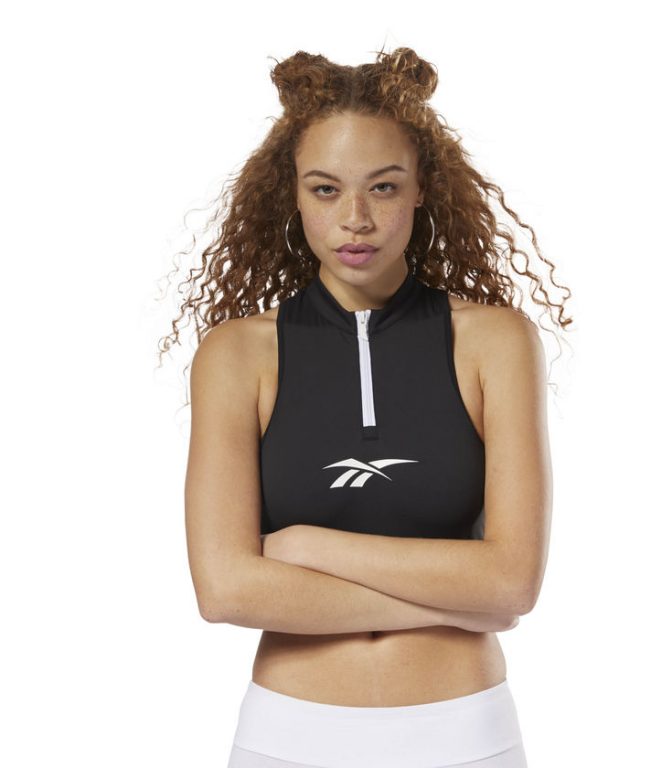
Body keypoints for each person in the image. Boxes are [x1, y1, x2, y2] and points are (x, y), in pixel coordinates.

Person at [164, 46, 572, 768]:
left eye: (383, 187)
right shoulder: (236, 355)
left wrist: (306, 547)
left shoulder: (495, 342)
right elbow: (225, 589)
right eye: (325, 190)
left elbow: (512, 580)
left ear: (421, 190)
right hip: (288, 737)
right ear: (293, 195)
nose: (355, 219)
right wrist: (457, 598)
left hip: (464, 734)